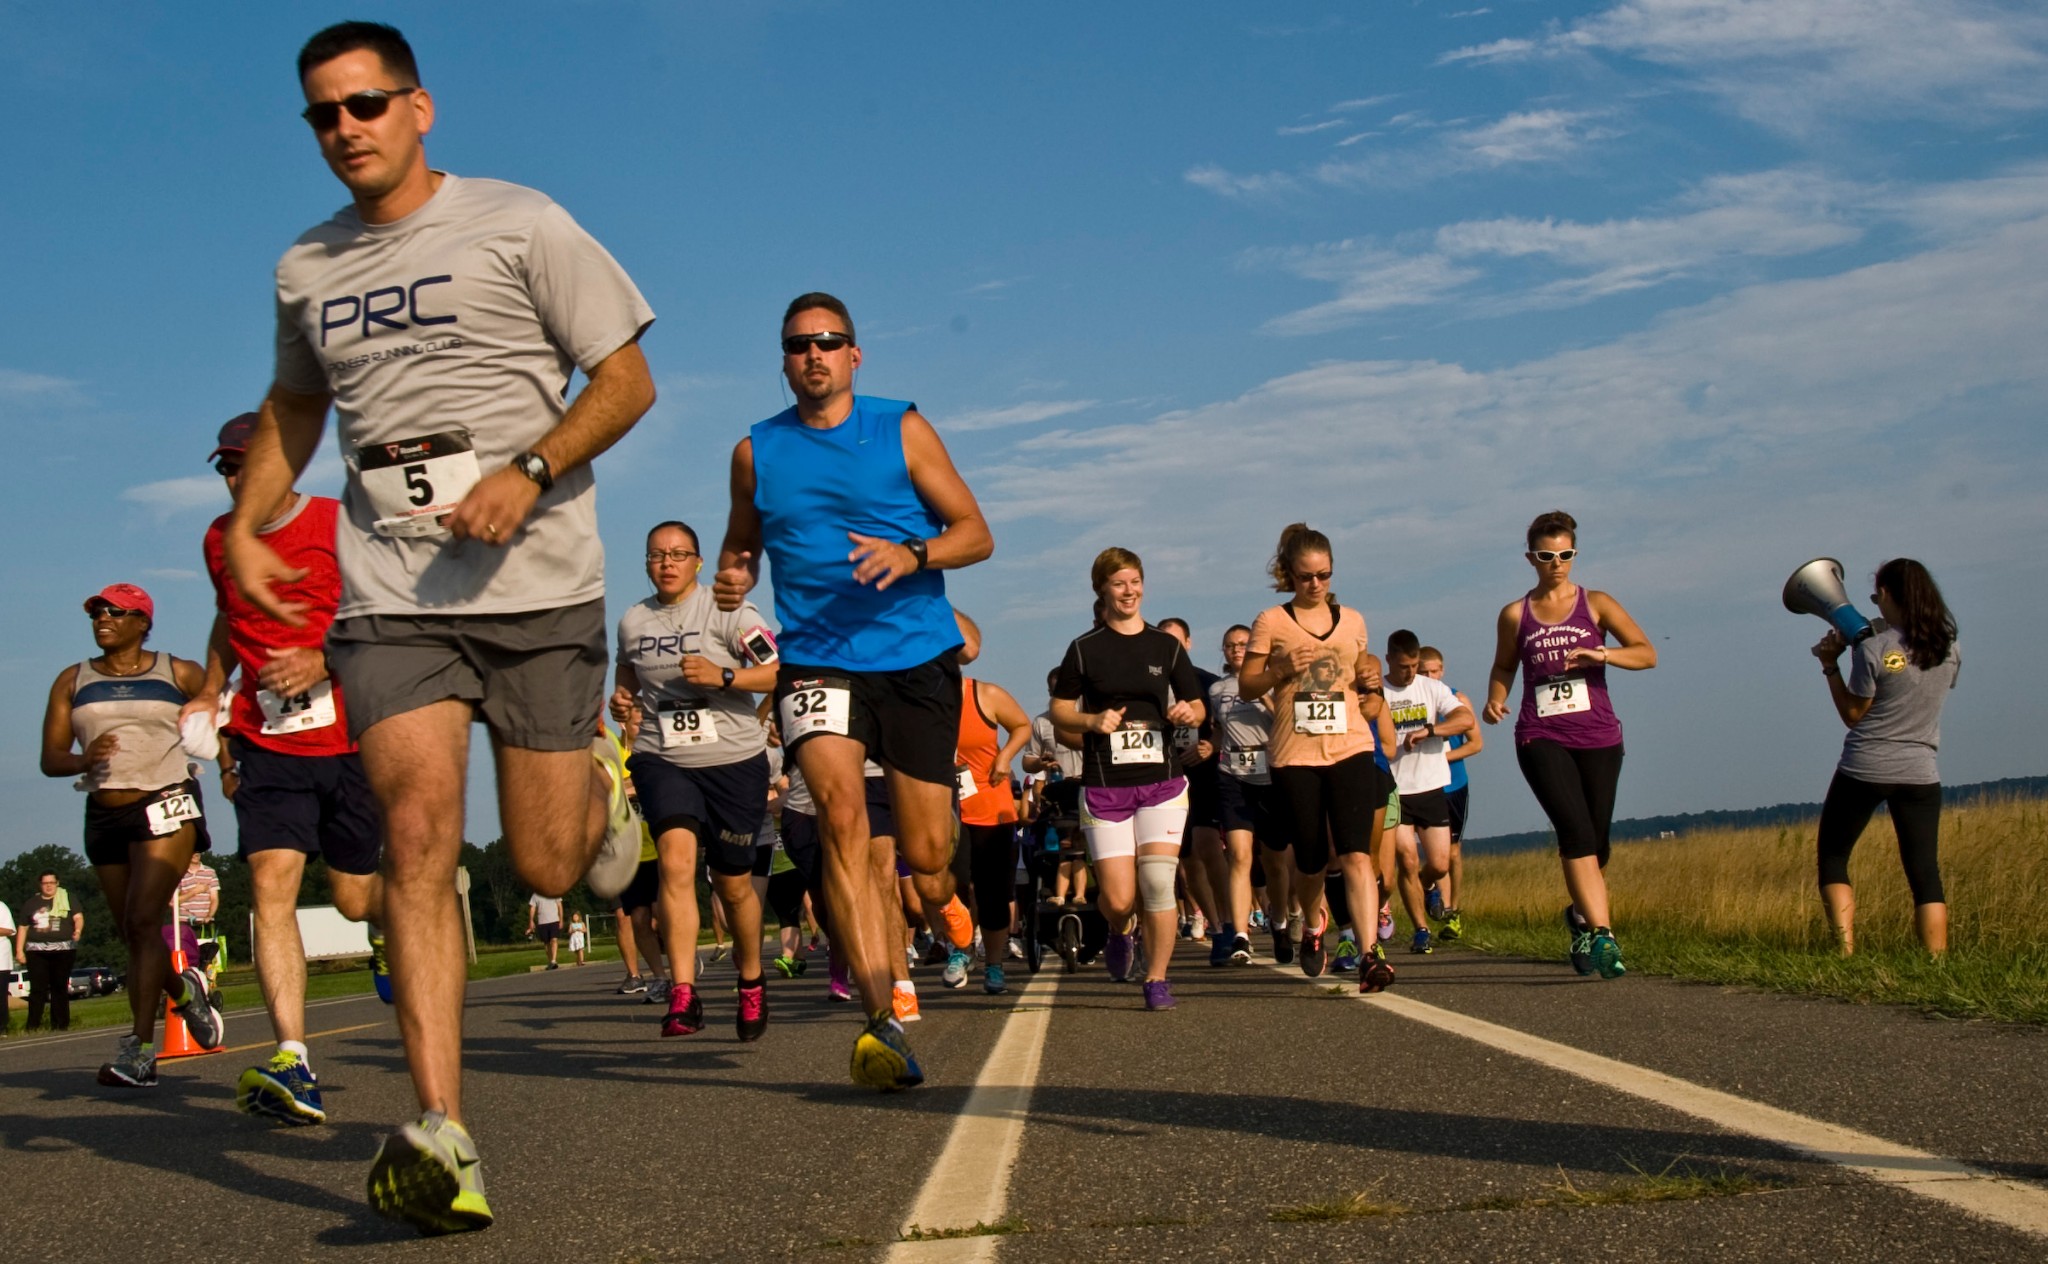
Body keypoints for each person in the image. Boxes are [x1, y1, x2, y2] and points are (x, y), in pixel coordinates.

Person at [232, 22, 655, 1232]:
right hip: (392, 595)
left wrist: (529, 465)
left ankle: (596, 786)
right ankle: (440, 1127)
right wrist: (255, 521)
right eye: (322, 114)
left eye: (364, 103)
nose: (344, 129)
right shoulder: (305, 267)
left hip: (537, 587)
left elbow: (625, 380)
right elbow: (295, 406)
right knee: (417, 834)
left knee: (544, 865)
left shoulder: (520, 221)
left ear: (419, 107)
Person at [713, 291, 991, 1090]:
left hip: (914, 657)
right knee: (838, 822)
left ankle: (943, 908)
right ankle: (882, 1020)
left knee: (929, 852)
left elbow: (976, 531)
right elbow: (741, 542)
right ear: (784, 358)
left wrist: (912, 554)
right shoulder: (755, 451)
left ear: (854, 355)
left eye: (829, 342)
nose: (814, 355)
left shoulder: (899, 427)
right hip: (818, 660)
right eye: (799, 344)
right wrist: (736, 575)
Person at [187, 412, 391, 1122]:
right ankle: (292, 1058)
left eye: (249, 465)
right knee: (273, 882)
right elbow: (226, 616)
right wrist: (212, 693)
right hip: (265, 743)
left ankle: (392, 931)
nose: (238, 479)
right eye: (228, 469)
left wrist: (324, 659)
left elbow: (388, 615)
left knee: (354, 900)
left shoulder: (339, 523)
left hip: (351, 741)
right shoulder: (220, 540)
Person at [40, 584, 226, 1082]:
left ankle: (139, 1052)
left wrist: (231, 770)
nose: (102, 618)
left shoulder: (177, 671)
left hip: (166, 802)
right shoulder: (72, 680)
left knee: (144, 921)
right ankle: (186, 991)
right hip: (104, 814)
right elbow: (50, 758)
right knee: (132, 931)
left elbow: (222, 719)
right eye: (96, 612)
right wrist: (84, 758)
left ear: (143, 622)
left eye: (115, 612)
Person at [610, 519, 779, 1040]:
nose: (667, 563)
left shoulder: (727, 609)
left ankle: (750, 980)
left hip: (732, 760)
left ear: (698, 562)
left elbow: (777, 671)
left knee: (733, 886)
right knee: (676, 864)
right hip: (664, 758)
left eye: (679, 554)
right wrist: (622, 699)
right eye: (657, 554)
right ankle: (683, 994)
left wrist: (724, 675)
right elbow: (627, 670)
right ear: (646, 563)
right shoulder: (634, 620)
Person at [1483, 510, 1656, 980]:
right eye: (1546, 556)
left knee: (1597, 846)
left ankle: (1578, 917)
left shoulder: (1596, 603)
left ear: (1574, 555)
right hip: (1541, 735)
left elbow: (1646, 653)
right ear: (1531, 558)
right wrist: (1495, 698)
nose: (1556, 563)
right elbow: (1504, 667)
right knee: (1575, 833)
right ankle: (1603, 934)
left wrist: (1601, 653)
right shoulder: (1516, 614)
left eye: (1565, 555)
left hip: (1599, 735)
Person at [1238, 524, 1397, 993]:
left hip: (1350, 745)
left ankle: (1369, 954)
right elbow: (1249, 684)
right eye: (1306, 576)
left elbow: (1366, 682)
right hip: (1296, 754)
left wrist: (1372, 680)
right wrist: (1280, 668)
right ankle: (1311, 923)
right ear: (1290, 574)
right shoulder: (1272, 620)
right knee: (1309, 861)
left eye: (1324, 575)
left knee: (1355, 854)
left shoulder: (1353, 620)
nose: (1316, 584)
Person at [1050, 548, 1204, 1011]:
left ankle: (1156, 979)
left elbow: (1198, 705)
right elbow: (1061, 711)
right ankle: (1121, 931)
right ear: (1102, 590)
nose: (1129, 591)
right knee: (1118, 899)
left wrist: (1186, 710)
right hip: (1105, 785)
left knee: (1158, 882)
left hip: (1162, 782)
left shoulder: (1165, 646)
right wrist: (1092, 722)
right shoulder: (1084, 648)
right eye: (1119, 583)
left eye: (1135, 581)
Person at [1811, 559, 1960, 956]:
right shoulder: (1950, 647)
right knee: (1924, 871)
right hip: (1921, 772)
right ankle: (1936, 961)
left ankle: (1844, 950)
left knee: (1834, 855)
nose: (1876, 604)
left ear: (1890, 595)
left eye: (1877, 596)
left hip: (1865, 767)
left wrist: (1830, 666)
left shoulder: (1875, 648)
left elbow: (1853, 715)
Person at [1380, 630, 1476, 955]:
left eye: (1415, 666)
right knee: (1406, 859)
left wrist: (1431, 730)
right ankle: (1421, 930)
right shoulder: (1378, 692)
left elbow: (1464, 719)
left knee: (1439, 864)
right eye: (1404, 666)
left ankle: (1429, 885)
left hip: (1431, 786)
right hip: (1395, 789)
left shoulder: (1433, 689)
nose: (1409, 672)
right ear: (1389, 659)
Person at [1158, 617, 1235, 963]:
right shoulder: (1151, 686)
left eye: (1177, 641)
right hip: (1167, 777)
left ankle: (1232, 921)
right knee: (1186, 857)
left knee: (1208, 846)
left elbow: (1227, 729)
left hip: (1205, 775)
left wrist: (1210, 745)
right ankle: (1216, 927)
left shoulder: (1208, 684)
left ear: (1188, 644)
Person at [1212, 624, 1289, 964]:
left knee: (1273, 861)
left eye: (1243, 644)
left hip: (1271, 776)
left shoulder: (1271, 680)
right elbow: (1217, 730)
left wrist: (1265, 695)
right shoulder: (1217, 689)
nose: (1237, 650)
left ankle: (1281, 920)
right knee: (1239, 856)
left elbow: (1287, 720)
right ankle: (1241, 935)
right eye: (1230, 645)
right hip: (1233, 776)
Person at [956, 670, 1032, 994]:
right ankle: (960, 951)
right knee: (952, 885)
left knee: (992, 893)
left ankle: (995, 966)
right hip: (945, 811)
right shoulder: (918, 703)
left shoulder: (983, 695)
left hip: (990, 806)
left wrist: (1004, 756)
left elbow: (1022, 725)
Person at [1418, 646, 1481, 940]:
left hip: (1453, 784)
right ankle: (1434, 900)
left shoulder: (1457, 698)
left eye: (1434, 671)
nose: (1430, 676)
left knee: (1453, 852)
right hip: (1421, 786)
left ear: (1442, 671)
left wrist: (1440, 758)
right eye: (1424, 672)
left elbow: (1475, 744)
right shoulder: (1411, 701)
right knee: (1432, 854)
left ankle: (1454, 913)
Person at [16, 871, 86, 1034]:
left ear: (57, 883)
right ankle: (33, 1026)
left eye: (52, 882)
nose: (48, 886)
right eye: (45, 883)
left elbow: (78, 917)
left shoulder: (67, 899)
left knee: (59, 987)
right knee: (37, 989)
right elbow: (23, 927)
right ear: (40, 885)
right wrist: (19, 950)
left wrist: (78, 930)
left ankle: (60, 1024)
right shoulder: (31, 903)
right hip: (36, 951)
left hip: (63, 950)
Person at [527, 893, 565, 969]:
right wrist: (531, 920)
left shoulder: (554, 891)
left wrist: (561, 919)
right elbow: (532, 908)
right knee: (547, 943)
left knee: (554, 940)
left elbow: (559, 906)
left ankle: (554, 960)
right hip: (542, 922)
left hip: (554, 920)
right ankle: (550, 961)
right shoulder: (535, 895)